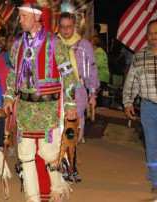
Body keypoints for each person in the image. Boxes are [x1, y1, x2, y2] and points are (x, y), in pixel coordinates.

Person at [3, 2, 77, 202]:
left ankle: (58, 190)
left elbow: (68, 75)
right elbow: (13, 72)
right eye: (20, 16)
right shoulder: (18, 44)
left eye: (24, 16)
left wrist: (70, 104)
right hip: (25, 108)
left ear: (37, 17)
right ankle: (32, 197)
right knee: (25, 153)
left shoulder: (54, 42)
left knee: (48, 151)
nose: (20, 20)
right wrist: (9, 96)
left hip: (47, 107)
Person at [58, 11, 100, 182]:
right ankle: (62, 166)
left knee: (74, 129)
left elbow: (92, 71)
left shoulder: (84, 46)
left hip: (78, 91)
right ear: (58, 27)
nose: (66, 31)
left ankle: (72, 165)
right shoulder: (54, 43)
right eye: (62, 27)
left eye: (69, 27)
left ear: (74, 26)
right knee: (59, 129)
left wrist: (93, 94)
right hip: (58, 92)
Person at [123, 19, 157, 194]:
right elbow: (132, 81)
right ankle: (155, 178)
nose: (153, 37)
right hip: (148, 107)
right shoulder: (139, 56)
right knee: (151, 144)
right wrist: (128, 101)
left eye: (156, 33)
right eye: (150, 33)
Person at [0, 34, 17, 157]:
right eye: (9, 40)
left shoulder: (21, 56)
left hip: (16, 95)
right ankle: (5, 145)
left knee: (14, 123)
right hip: (2, 93)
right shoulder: (0, 58)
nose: (11, 43)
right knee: (4, 121)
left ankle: (13, 144)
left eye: (14, 40)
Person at [90, 35, 109, 107]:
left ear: (94, 45)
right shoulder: (99, 51)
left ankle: (98, 111)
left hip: (101, 77)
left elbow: (97, 64)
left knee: (98, 97)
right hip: (101, 77)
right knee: (98, 96)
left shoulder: (99, 52)